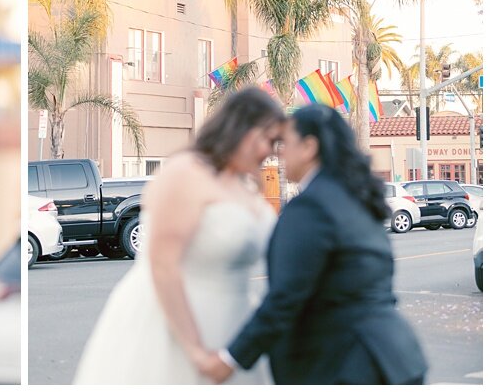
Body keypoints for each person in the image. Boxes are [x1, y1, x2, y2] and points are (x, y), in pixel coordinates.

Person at [198, 103, 429, 384]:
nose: (279, 152)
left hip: (343, 366)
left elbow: (285, 298)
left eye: (286, 143)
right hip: (395, 356)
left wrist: (229, 360)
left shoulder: (311, 207)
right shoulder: (360, 198)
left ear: (309, 147)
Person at [73, 86, 285, 384]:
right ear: (241, 128)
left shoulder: (248, 186)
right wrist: (195, 350)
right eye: (268, 139)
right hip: (178, 329)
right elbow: (163, 264)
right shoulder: (186, 172)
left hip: (234, 328)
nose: (270, 151)